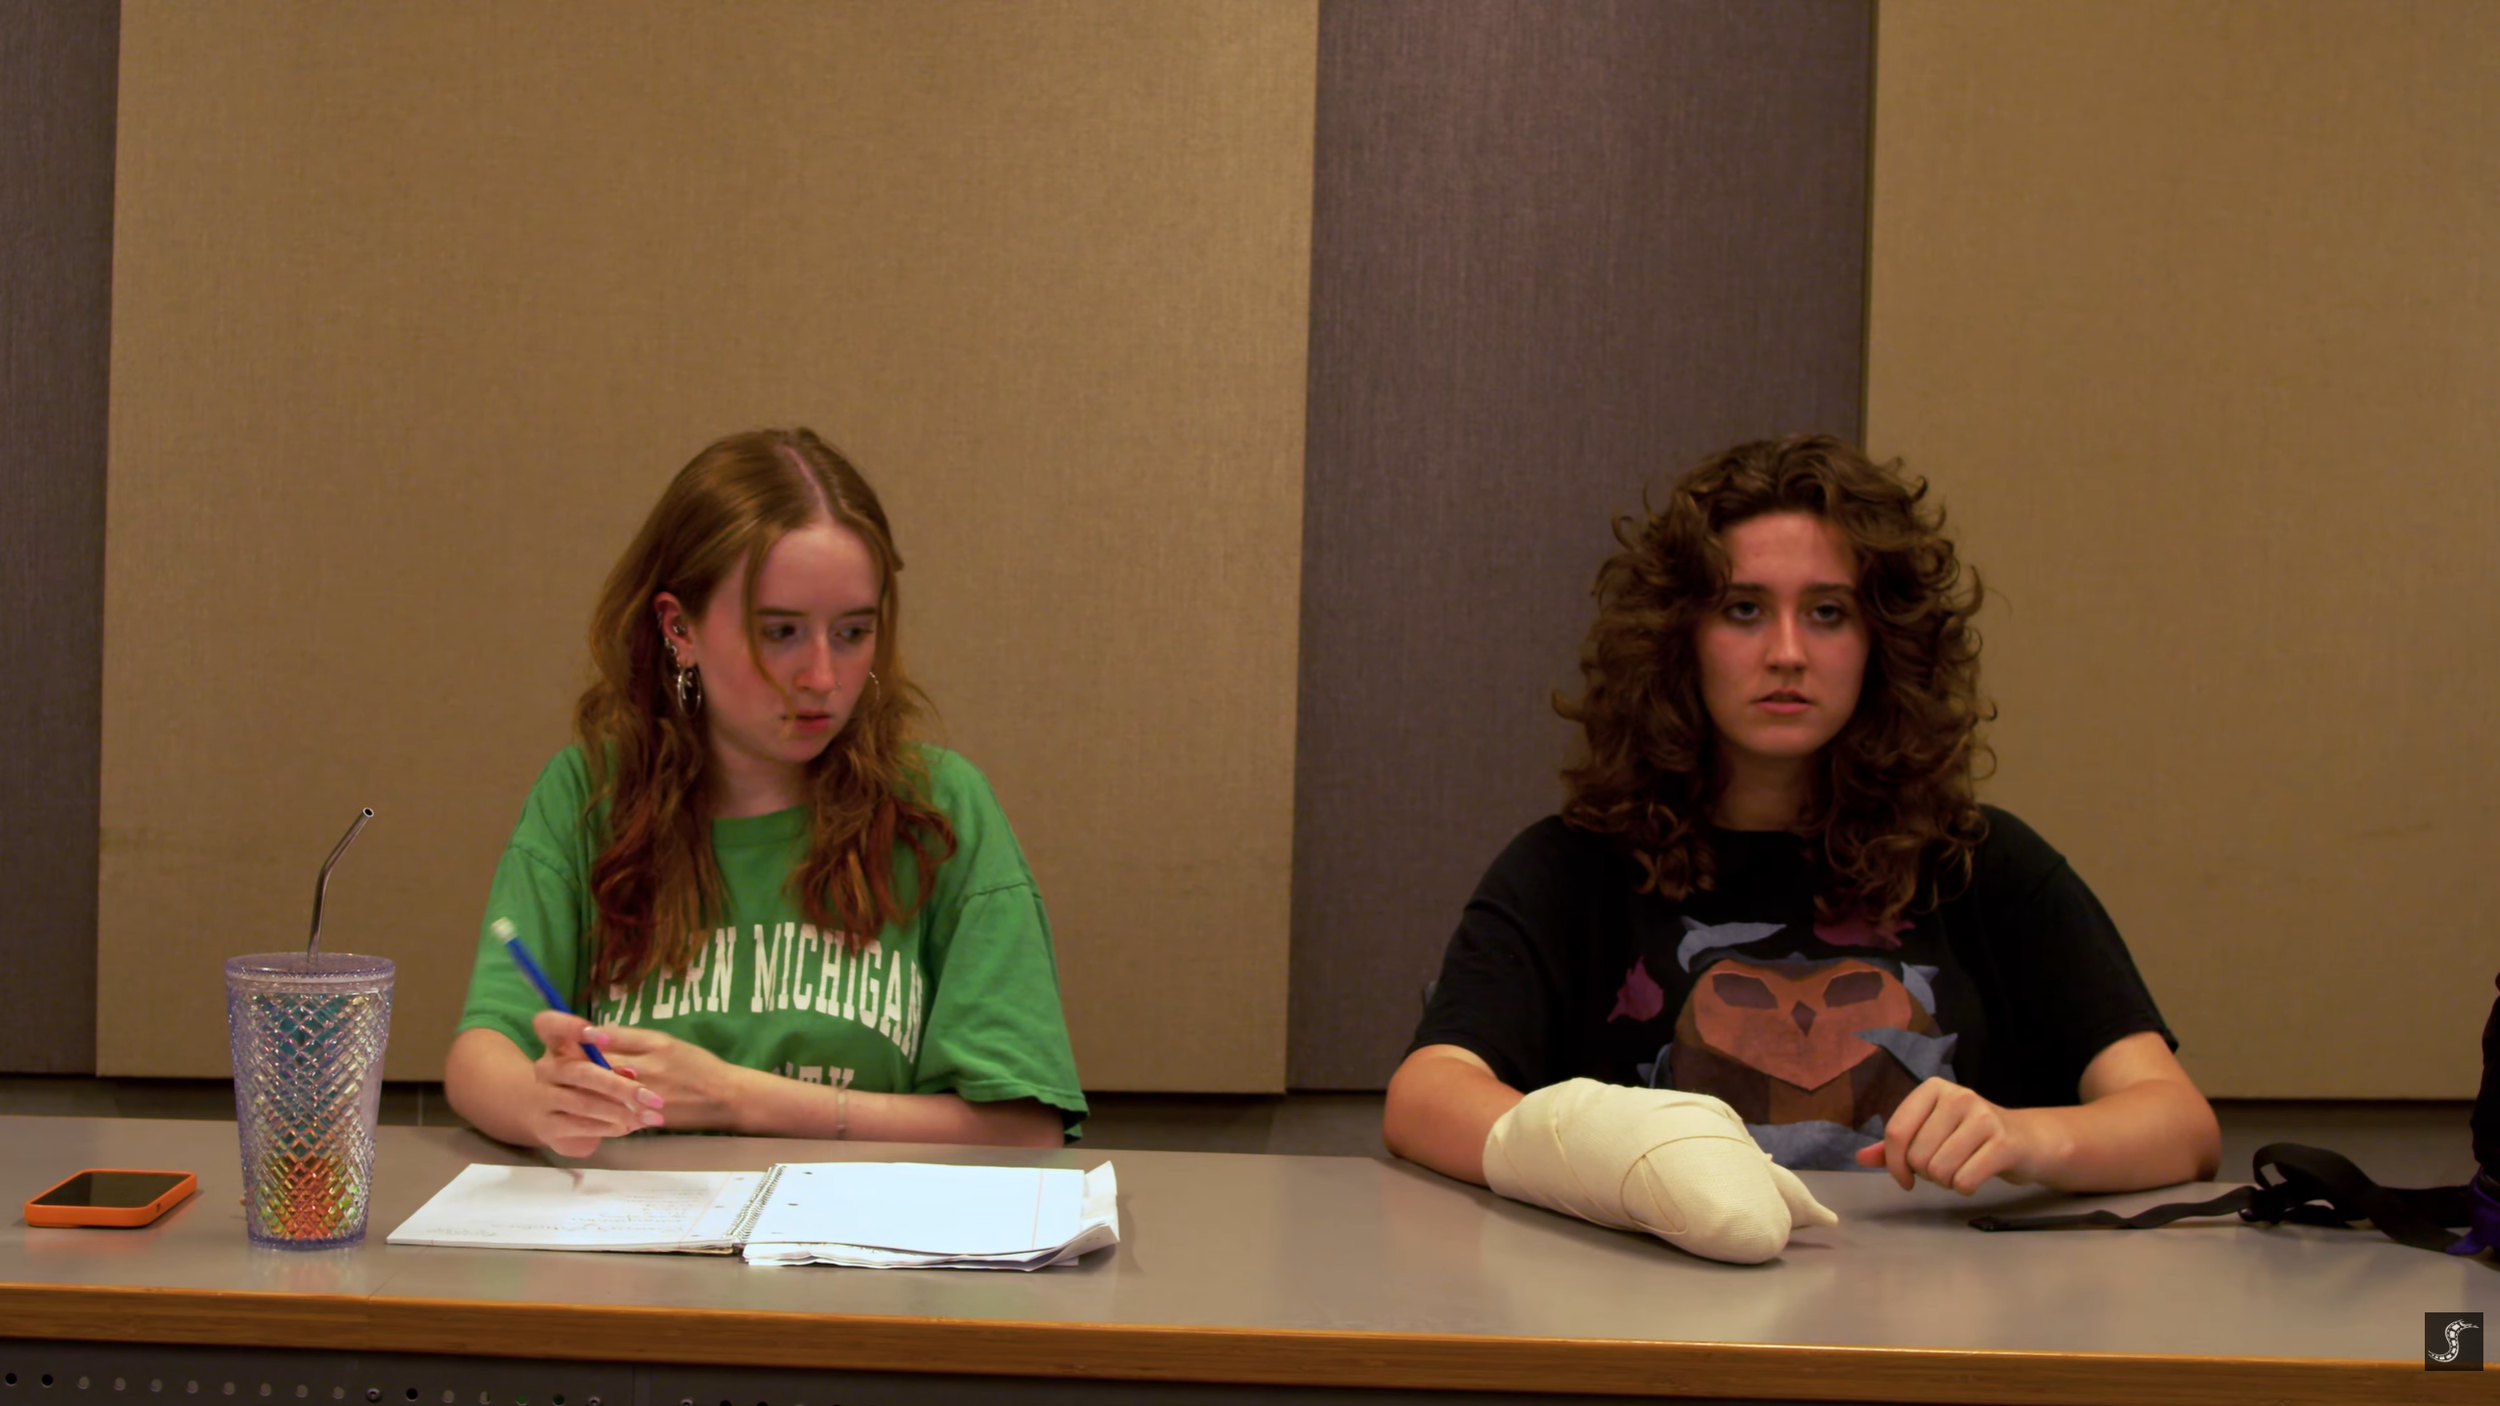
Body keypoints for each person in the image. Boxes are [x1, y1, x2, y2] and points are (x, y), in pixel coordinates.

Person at [1385, 435, 2219, 1212]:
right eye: (1744, 610)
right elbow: (1426, 1095)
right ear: (1681, 639)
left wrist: (2028, 1137)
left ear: (1881, 643)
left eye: (1827, 613)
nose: (1787, 652)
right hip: (1650, 1290)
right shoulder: (1571, 869)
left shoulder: (1983, 866)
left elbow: (2179, 1125)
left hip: (1943, 1303)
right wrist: (1616, 1156)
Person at [445, 428, 1085, 1157]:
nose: (822, 677)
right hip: (634, 1223)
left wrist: (738, 1099)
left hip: (859, 1226)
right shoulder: (590, 795)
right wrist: (541, 1103)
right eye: (780, 632)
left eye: (853, 633)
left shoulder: (938, 807)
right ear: (679, 627)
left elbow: (1023, 1127)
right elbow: (480, 1056)